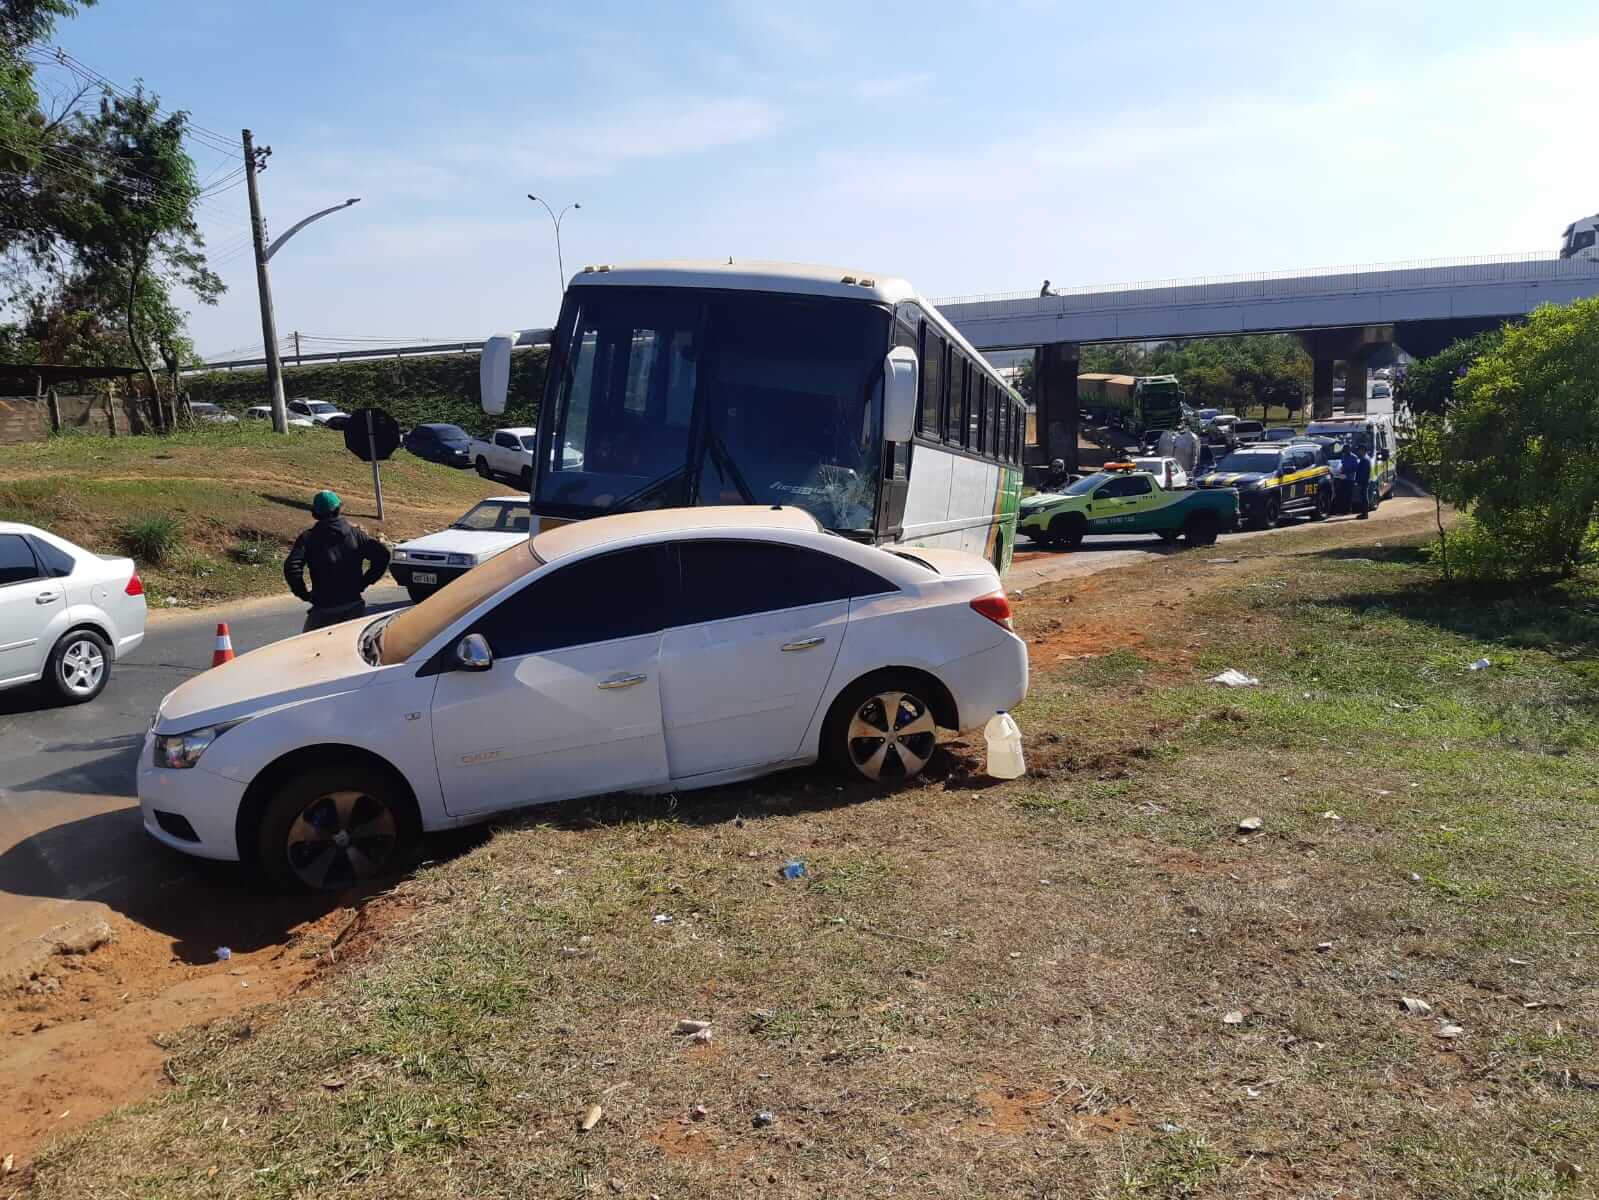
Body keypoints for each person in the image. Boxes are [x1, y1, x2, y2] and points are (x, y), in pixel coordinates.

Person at [284, 490, 391, 631]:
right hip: (354, 606)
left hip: (323, 609)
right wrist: (364, 582)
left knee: (311, 650)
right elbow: (383, 555)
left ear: (315, 513)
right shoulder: (356, 535)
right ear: (339, 509)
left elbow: (292, 566)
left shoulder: (309, 538)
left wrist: (303, 594)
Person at [1353, 446, 1373, 519]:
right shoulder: (1365, 459)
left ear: (1363, 451)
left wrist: (1358, 481)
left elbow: (1363, 473)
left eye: (1359, 450)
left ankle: (1365, 514)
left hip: (1363, 482)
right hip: (1364, 481)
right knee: (1363, 498)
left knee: (1364, 498)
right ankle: (1364, 513)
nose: (1358, 452)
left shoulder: (1365, 460)